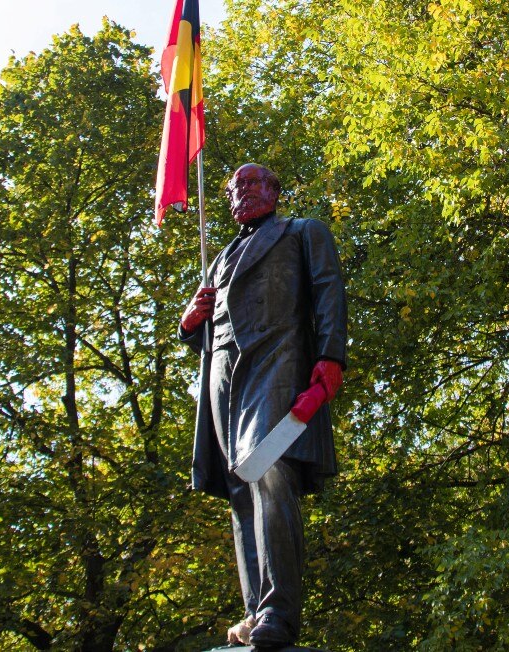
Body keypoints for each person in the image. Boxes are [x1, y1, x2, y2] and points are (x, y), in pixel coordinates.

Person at [178, 163, 348, 647]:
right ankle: (254, 610)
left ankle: (279, 610)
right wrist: (190, 323)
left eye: (251, 184)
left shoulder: (302, 233)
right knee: (239, 490)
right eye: (234, 188)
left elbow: (328, 291)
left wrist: (332, 355)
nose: (240, 194)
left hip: (278, 360)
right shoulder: (219, 259)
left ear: (275, 190)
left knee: (270, 471)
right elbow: (212, 330)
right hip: (224, 375)